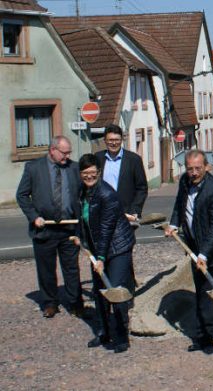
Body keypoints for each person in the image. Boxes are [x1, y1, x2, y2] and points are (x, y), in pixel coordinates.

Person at [164, 150, 213, 353]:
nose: (194, 172)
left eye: (198, 168)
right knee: (203, 296)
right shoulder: (184, 182)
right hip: (195, 249)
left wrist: (204, 254)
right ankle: (204, 338)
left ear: (206, 167)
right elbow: (180, 204)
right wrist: (173, 224)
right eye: (190, 169)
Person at [16, 136, 85, 319]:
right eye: (64, 153)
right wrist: (33, 217)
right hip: (44, 229)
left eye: (69, 152)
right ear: (52, 150)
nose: (67, 156)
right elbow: (22, 196)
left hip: (69, 228)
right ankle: (50, 303)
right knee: (46, 269)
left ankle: (75, 303)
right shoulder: (34, 168)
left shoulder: (74, 167)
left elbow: (82, 194)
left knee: (71, 268)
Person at [73, 154, 135, 353]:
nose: (89, 176)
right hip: (97, 247)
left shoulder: (107, 193)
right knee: (99, 292)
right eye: (85, 173)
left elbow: (107, 228)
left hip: (117, 247)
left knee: (115, 291)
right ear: (80, 174)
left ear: (99, 173)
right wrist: (79, 238)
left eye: (93, 173)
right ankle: (103, 331)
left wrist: (100, 258)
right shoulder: (82, 192)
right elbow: (82, 218)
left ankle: (121, 336)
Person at [95, 124, 148, 223]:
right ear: (105, 141)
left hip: (126, 214)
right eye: (110, 140)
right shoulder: (98, 158)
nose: (114, 143)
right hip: (102, 213)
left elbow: (142, 188)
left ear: (121, 140)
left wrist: (135, 210)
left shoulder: (133, 159)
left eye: (117, 140)